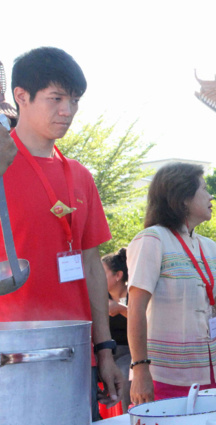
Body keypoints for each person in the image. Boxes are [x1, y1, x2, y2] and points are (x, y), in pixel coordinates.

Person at [0, 47, 122, 420]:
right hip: (11, 351)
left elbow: (90, 264)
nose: (67, 111)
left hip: (74, 351)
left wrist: (103, 348)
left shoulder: (81, 176)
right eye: (56, 99)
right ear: (21, 96)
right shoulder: (3, 167)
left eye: (74, 100)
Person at [127, 162, 216, 405]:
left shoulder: (209, 246)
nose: (211, 196)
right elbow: (135, 308)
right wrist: (140, 370)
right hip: (166, 375)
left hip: (215, 372)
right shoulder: (152, 239)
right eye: (204, 189)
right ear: (183, 198)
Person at [102, 248, 132, 412]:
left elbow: (144, 319)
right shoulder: (99, 296)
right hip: (104, 352)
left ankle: (131, 417)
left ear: (118, 275)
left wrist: (121, 309)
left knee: (126, 374)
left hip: (129, 352)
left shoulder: (133, 293)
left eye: (102, 273)